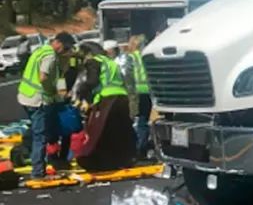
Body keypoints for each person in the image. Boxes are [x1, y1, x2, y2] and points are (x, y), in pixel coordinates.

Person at [16, 32, 76, 179]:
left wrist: (61, 92)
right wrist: (55, 93)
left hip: (26, 96)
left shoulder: (40, 50)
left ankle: (40, 159)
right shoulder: (50, 55)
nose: (66, 52)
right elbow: (44, 77)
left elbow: (58, 76)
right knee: (40, 136)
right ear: (60, 44)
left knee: (39, 131)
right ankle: (38, 171)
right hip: (38, 99)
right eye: (66, 48)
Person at [74, 42, 135, 172]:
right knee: (119, 131)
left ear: (88, 53)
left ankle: (96, 161)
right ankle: (125, 159)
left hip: (106, 99)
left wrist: (81, 92)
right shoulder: (111, 62)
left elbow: (92, 81)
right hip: (121, 97)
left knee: (100, 132)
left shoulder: (93, 61)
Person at [119, 35, 152, 158]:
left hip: (133, 93)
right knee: (143, 121)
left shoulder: (129, 57)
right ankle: (141, 149)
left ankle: (134, 149)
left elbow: (125, 75)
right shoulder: (145, 57)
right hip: (147, 93)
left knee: (133, 121)